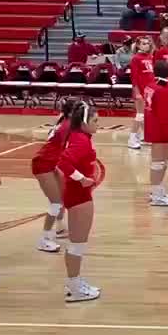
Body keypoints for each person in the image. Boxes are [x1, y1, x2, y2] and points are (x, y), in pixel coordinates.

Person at [53, 100, 102, 302]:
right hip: (79, 197)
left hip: (76, 195)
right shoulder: (81, 139)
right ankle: (74, 288)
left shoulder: (78, 136)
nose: (98, 124)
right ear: (84, 122)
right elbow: (63, 162)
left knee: (76, 244)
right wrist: (81, 179)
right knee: (77, 245)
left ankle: (74, 282)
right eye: (95, 120)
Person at [31, 99, 78, 253]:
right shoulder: (68, 126)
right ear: (72, 112)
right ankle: (43, 239)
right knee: (55, 203)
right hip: (43, 163)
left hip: (52, 162)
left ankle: (59, 228)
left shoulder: (65, 120)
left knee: (63, 194)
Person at [143, 61, 168, 207]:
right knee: (158, 163)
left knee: (163, 160)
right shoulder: (162, 90)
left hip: (151, 126)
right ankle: (156, 194)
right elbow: (163, 116)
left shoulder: (149, 85)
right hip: (159, 128)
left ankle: (158, 189)